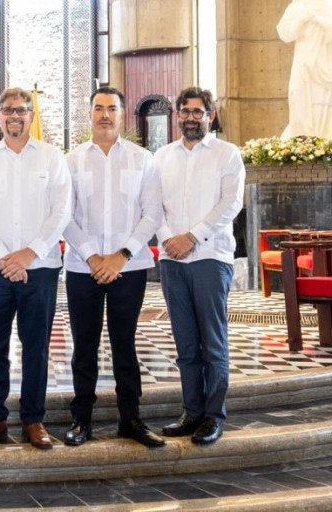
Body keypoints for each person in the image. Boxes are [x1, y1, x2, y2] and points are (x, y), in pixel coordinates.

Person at [0, 87, 72, 450]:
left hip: (40, 267)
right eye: (8, 110)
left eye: (22, 110)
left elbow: (62, 211)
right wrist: (4, 257)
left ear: (31, 115)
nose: (15, 115)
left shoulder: (51, 157)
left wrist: (29, 254)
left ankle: (33, 419)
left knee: (36, 345)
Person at [62, 86, 165, 448]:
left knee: (125, 343)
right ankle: (82, 419)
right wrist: (93, 257)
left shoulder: (142, 159)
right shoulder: (71, 161)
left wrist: (120, 255)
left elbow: (152, 213)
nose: (105, 114)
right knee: (84, 345)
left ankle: (130, 419)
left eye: (112, 108)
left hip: (130, 267)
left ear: (122, 115)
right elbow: (64, 216)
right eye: (98, 108)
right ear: (88, 113)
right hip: (81, 267)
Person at [155, 87, 245, 445]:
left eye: (198, 111)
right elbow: (153, 204)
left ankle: (213, 415)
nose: (191, 117)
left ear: (209, 115)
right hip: (171, 260)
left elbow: (230, 203)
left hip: (211, 257)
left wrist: (192, 237)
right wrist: (168, 239)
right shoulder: (161, 156)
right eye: (185, 111)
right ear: (177, 115)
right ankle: (191, 411)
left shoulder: (227, 154)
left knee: (213, 342)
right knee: (186, 343)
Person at [276, 0, 332, 139]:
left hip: (326, 65)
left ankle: (324, 145)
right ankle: (304, 144)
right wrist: (301, 19)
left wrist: (320, 21)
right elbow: (285, 34)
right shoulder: (298, 5)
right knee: (300, 99)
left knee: (325, 106)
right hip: (304, 64)